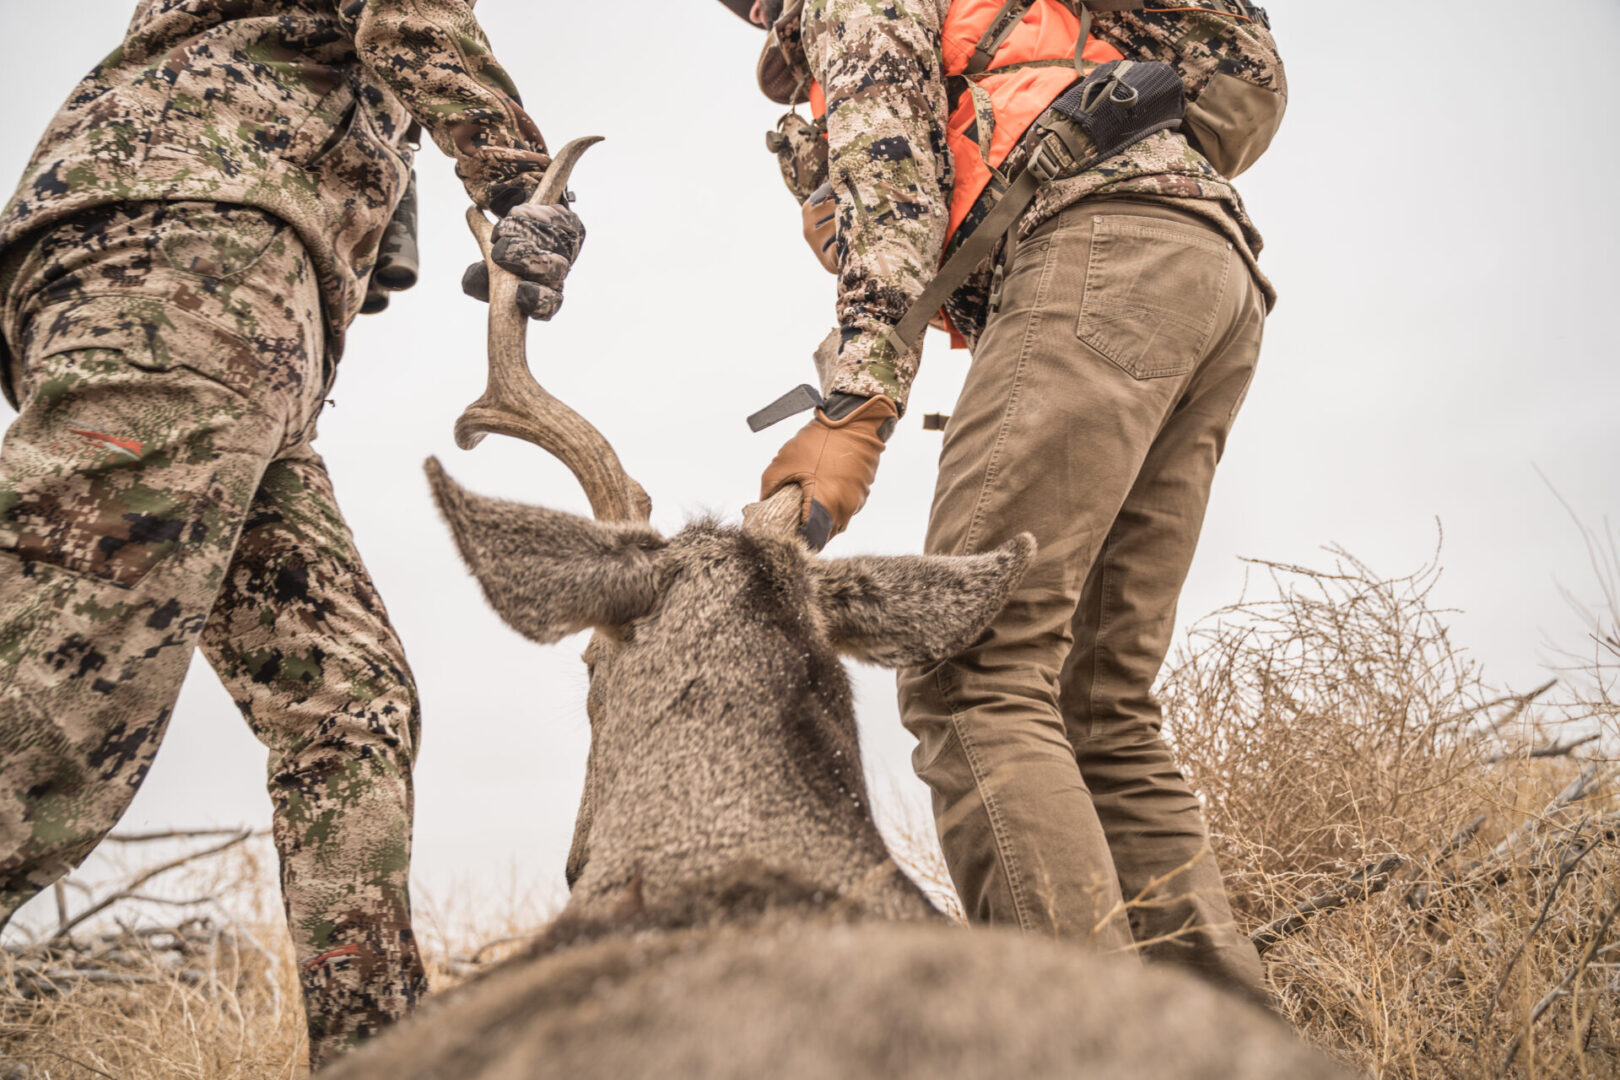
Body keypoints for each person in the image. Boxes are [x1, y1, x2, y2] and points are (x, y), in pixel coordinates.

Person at [0, 0, 585, 1064]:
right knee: (53, 707)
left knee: (347, 701)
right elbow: (411, 18)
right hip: (187, 258)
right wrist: (517, 184)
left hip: (230, 296)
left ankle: (379, 1056)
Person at [735, 0, 1284, 1003]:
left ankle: (1077, 1049)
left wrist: (855, 405)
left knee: (970, 666)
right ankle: (1237, 1055)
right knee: (1095, 704)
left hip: (1095, 255)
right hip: (1207, 271)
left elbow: (892, 189)